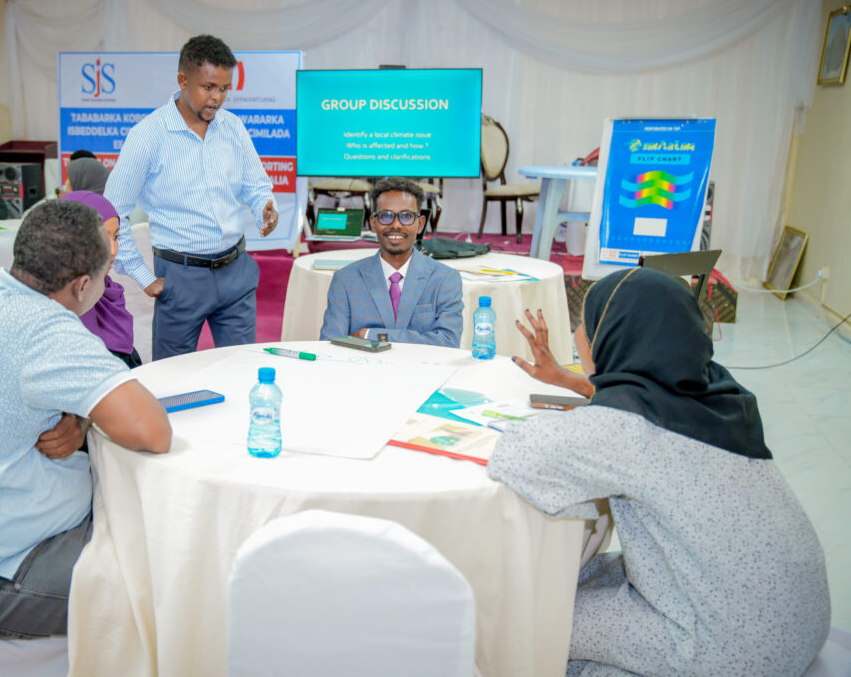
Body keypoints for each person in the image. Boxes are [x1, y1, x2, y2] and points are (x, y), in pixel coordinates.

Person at [489, 268, 830, 676]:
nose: (578, 333)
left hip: (733, 644)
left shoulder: (623, 429)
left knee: (532, 619)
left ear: (611, 337)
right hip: (797, 619)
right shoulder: (721, 394)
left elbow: (518, 455)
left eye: (585, 325)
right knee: (578, 579)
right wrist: (575, 382)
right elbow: (647, 411)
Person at [0, 199, 171, 640]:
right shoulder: (48, 332)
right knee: (170, 578)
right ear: (82, 285)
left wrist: (81, 419)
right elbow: (153, 430)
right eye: (105, 272)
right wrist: (86, 416)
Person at [104, 34, 278, 360]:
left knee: (240, 368)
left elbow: (257, 186)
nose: (217, 98)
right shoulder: (148, 136)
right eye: (208, 87)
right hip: (180, 277)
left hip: (236, 272)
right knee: (172, 376)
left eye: (224, 88)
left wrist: (264, 208)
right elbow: (113, 211)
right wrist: (142, 275)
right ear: (183, 80)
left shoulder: (233, 127)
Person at [320, 177, 463, 347]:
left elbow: (448, 343)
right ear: (373, 223)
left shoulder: (445, 279)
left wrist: (370, 335)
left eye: (406, 216)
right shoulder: (345, 280)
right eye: (386, 216)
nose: (396, 225)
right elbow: (330, 345)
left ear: (420, 224)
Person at [61, 188, 142, 368]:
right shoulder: (57, 306)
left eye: (116, 237)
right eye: (102, 237)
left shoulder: (108, 293)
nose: (113, 250)